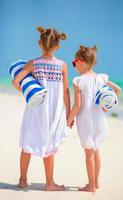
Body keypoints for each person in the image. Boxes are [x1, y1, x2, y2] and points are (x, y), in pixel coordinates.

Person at [12, 26, 70, 191]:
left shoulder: (33, 64)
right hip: (53, 111)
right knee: (49, 145)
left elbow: (15, 82)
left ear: (39, 43)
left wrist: (29, 94)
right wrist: (69, 113)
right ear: (58, 46)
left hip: (36, 108)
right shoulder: (62, 65)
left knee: (27, 144)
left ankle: (22, 180)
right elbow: (65, 91)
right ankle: (49, 183)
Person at [67, 45, 121, 192]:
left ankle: (90, 186)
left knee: (89, 152)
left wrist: (68, 120)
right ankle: (96, 182)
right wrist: (107, 106)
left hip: (85, 120)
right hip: (99, 120)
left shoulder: (78, 81)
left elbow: (77, 106)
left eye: (74, 63)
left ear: (81, 62)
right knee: (96, 149)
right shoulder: (101, 78)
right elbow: (118, 90)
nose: (74, 66)